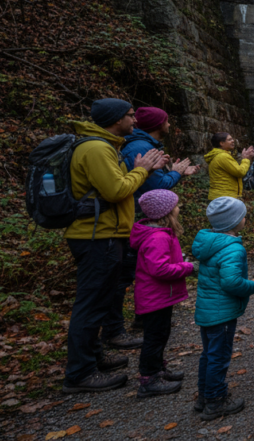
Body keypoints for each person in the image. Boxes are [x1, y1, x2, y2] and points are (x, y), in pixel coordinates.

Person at [63, 99, 167, 394]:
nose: (135, 120)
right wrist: (143, 170)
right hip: (96, 235)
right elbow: (117, 189)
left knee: (99, 300)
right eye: (130, 115)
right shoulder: (96, 149)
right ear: (114, 118)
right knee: (90, 303)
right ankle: (80, 373)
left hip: (104, 233)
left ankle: (94, 357)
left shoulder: (106, 146)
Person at [110, 107, 196, 349]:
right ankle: (119, 328)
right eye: (167, 120)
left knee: (138, 268)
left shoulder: (143, 145)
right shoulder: (140, 147)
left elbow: (155, 180)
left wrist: (176, 172)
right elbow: (156, 187)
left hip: (140, 215)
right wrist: (176, 174)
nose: (170, 124)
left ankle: (142, 316)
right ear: (159, 124)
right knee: (130, 272)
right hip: (141, 216)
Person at [192, 196, 254, 420]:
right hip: (222, 314)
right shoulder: (232, 249)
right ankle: (216, 401)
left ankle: (204, 396)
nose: (245, 218)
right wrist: (251, 286)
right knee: (219, 357)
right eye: (243, 215)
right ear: (234, 222)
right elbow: (230, 283)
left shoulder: (208, 242)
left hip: (207, 311)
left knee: (208, 355)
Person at [129, 189, 196, 398]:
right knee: (154, 337)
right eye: (175, 206)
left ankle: (158, 368)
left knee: (161, 333)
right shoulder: (157, 238)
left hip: (161, 297)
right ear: (166, 212)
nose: (178, 208)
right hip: (154, 297)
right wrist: (188, 267)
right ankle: (149, 378)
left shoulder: (162, 234)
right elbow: (160, 269)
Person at [204, 133, 254, 202]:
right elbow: (240, 172)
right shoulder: (223, 156)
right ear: (221, 143)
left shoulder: (221, 155)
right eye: (229, 140)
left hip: (222, 196)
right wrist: (246, 159)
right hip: (224, 197)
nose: (233, 141)